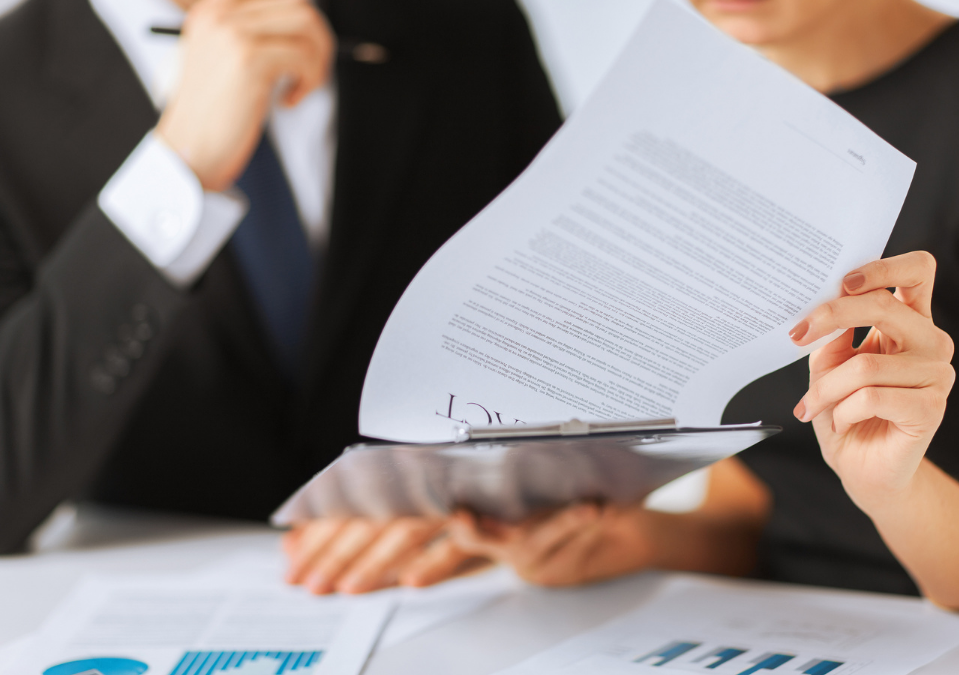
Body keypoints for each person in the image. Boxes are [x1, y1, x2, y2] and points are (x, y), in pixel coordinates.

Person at [431, 0, 959, 612]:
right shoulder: (734, 106)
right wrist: (632, 539)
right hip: (779, 626)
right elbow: (761, 506)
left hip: (949, 634)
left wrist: (894, 490)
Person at [0, 0, 561, 565]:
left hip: (461, 587)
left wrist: (512, 508)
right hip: (160, 607)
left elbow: (569, 339)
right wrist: (178, 169)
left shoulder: (468, 25)